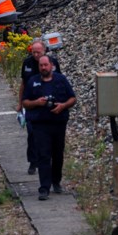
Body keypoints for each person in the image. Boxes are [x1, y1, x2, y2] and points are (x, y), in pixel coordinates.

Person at [22, 55, 76, 201]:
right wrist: (37, 103)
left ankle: (56, 181)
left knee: (58, 154)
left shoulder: (61, 79)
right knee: (43, 155)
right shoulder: (33, 81)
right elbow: (25, 102)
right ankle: (44, 188)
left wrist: (63, 106)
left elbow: (73, 98)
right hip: (40, 125)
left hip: (58, 123)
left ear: (51, 65)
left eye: (46, 65)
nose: (43, 68)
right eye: (41, 65)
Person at [17, 40, 61, 176]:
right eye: (33, 52)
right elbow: (23, 84)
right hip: (32, 104)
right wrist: (20, 103)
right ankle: (33, 162)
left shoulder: (52, 63)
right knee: (32, 133)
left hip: (49, 103)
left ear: (44, 51)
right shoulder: (27, 63)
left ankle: (49, 162)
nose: (35, 55)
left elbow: (59, 82)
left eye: (38, 52)